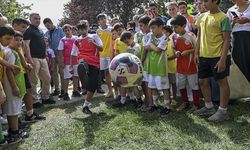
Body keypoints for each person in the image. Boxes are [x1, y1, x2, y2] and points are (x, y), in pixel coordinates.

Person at [194, 0, 232, 122]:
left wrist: (222, 60)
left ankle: (222, 111)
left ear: (215, 1)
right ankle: (209, 106)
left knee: (222, 82)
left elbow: (227, 40)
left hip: (218, 56)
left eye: (206, 1)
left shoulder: (223, 17)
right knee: (202, 81)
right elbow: (199, 36)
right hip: (204, 56)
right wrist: (196, 52)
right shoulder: (202, 16)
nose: (204, 3)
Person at [12, 18, 45, 122]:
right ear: (14, 25)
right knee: (17, 95)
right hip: (13, 72)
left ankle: (30, 113)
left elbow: (20, 52)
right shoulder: (10, 38)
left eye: (26, 27)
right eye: (23, 27)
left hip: (23, 69)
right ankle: (15, 120)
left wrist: (26, 64)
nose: (25, 29)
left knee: (28, 90)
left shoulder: (20, 38)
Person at [23, 13, 56, 107]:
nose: (38, 20)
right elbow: (26, 45)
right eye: (35, 19)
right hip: (33, 58)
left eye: (39, 18)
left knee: (47, 78)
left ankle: (45, 97)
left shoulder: (40, 30)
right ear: (30, 19)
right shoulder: (28, 31)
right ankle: (34, 101)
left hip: (42, 58)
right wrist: (29, 58)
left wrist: (45, 53)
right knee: (33, 80)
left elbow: (43, 43)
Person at [71, 21, 103, 114]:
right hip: (83, 60)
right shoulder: (77, 40)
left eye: (85, 29)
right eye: (81, 29)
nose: (83, 31)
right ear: (78, 30)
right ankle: (84, 81)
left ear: (87, 28)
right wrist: (72, 66)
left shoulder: (94, 36)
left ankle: (85, 105)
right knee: (81, 62)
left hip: (94, 62)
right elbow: (73, 54)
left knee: (92, 86)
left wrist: (93, 43)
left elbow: (101, 48)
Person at [170, 15, 199, 112]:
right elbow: (174, 48)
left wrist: (189, 51)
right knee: (181, 85)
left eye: (176, 27)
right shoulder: (174, 37)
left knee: (193, 85)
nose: (174, 29)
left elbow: (197, 48)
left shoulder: (191, 35)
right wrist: (176, 53)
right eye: (173, 27)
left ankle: (195, 103)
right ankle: (185, 102)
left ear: (184, 25)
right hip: (179, 66)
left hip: (191, 65)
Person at [3, 31, 26, 144]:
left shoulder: (13, 51)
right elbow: (9, 71)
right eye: (15, 39)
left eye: (20, 40)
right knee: (13, 110)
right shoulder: (10, 53)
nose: (18, 42)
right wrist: (14, 87)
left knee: (14, 109)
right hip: (12, 86)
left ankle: (13, 130)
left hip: (16, 84)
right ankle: (15, 134)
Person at [145, 18, 171, 117]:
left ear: (160, 27)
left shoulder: (165, 38)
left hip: (161, 68)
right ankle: (155, 104)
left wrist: (151, 45)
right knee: (153, 87)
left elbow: (157, 49)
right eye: (151, 28)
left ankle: (167, 106)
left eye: (153, 28)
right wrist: (151, 46)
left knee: (164, 88)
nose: (152, 30)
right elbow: (146, 47)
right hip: (152, 67)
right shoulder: (151, 36)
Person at [0, 25, 21, 145]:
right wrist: (10, 66)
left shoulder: (4, 49)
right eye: (7, 38)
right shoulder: (6, 50)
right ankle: (12, 134)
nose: (9, 42)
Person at [227, 0, 250, 82]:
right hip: (237, 39)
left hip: (248, 36)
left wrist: (247, 20)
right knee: (239, 61)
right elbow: (227, 28)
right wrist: (233, 22)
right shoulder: (231, 10)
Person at [58, 24, 81, 100]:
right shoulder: (62, 40)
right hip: (67, 62)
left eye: (68, 30)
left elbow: (80, 49)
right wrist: (61, 62)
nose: (67, 32)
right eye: (65, 31)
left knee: (76, 76)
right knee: (66, 77)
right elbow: (60, 52)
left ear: (71, 30)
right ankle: (65, 93)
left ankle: (75, 91)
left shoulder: (76, 38)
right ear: (64, 32)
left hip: (76, 60)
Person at [43, 18, 65, 98]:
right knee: (54, 73)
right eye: (46, 26)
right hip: (51, 56)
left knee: (62, 73)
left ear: (51, 23)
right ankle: (57, 89)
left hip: (60, 54)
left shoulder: (59, 30)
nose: (48, 27)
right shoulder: (46, 33)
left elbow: (64, 40)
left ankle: (63, 90)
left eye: (48, 25)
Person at [137, 15, 152, 111]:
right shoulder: (145, 36)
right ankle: (147, 102)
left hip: (149, 63)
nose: (140, 28)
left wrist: (141, 61)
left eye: (142, 25)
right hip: (146, 63)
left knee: (148, 84)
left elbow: (145, 50)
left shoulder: (151, 35)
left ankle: (150, 103)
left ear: (148, 25)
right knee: (144, 83)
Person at [96, 14, 113, 97]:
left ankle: (118, 92)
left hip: (110, 54)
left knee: (113, 72)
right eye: (101, 19)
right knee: (106, 73)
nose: (103, 20)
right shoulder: (98, 31)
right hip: (102, 55)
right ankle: (110, 91)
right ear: (98, 21)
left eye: (104, 18)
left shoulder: (111, 29)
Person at [162, 25, 177, 107]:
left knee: (173, 83)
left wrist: (167, 58)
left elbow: (175, 55)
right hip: (164, 68)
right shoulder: (161, 42)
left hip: (171, 67)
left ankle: (174, 98)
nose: (161, 32)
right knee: (166, 84)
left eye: (163, 31)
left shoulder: (171, 42)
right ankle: (168, 98)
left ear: (167, 33)